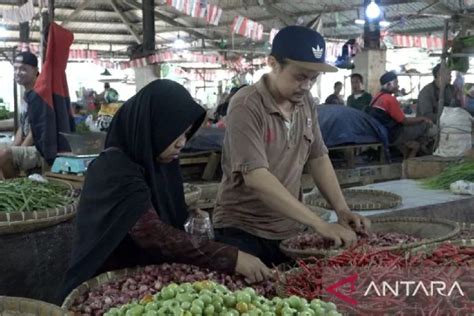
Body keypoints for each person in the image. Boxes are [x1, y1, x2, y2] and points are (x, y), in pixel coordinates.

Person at [61, 80, 271, 297]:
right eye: (175, 134)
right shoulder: (113, 169)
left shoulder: (159, 164)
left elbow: (156, 212)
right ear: (152, 126)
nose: (182, 143)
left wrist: (188, 217)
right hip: (105, 287)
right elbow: (152, 234)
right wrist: (231, 257)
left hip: (149, 280)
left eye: (186, 134)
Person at [212, 26, 370, 266]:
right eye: (300, 76)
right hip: (243, 230)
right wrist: (319, 224)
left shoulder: (305, 102)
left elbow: (318, 157)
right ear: (274, 64)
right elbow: (256, 178)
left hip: (288, 228)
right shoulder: (246, 105)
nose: (306, 86)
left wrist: (341, 210)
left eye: (313, 78)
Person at [367, 71, 433, 158]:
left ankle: (412, 146)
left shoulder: (376, 97)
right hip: (393, 135)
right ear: (389, 84)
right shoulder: (390, 99)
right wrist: (422, 118)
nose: (398, 86)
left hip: (380, 132)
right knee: (425, 125)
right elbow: (404, 121)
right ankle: (418, 147)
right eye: (396, 82)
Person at [0, 52, 41, 179]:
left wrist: (16, 153)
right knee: (5, 153)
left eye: (23, 69)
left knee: (5, 155)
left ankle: (11, 189)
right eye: (16, 68)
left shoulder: (39, 94)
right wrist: (14, 148)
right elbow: (22, 127)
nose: (18, 72)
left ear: (35, 71)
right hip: (28, 145)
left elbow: (34, 132)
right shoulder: (26, 95)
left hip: (40, 149)